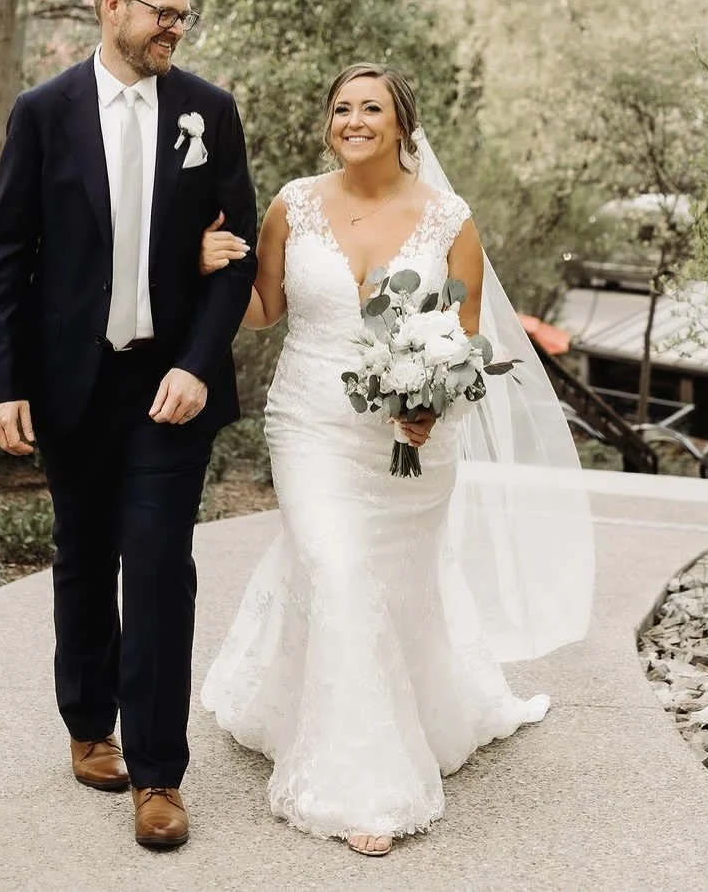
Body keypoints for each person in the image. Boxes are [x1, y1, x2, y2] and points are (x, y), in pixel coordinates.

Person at [199, 62, 593, 857]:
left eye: (370, 108)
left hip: (410, 437)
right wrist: (206, 264)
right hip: (308, 420)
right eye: (341, 107)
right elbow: (263, 310)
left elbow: (466, 341)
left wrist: (428, 403)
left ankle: (393, 702)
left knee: (385, 582)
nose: (352, 119)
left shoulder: (449, 219)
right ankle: (363, 781)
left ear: (402, 124)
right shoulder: (293, 204)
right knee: (340, 569)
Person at [0, 0, 257, 851]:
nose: (176, 27)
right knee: (85, 555)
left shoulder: (209, 112)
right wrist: (5, 381)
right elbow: (8, 256)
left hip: (169, 380)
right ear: (112, 6)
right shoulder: (44, 112)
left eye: (185, 14)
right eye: (162, 12)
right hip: (73, 382)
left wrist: (196, 361)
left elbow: (234, 251)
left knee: (160, 561)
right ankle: (88, 722)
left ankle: (160, 772)